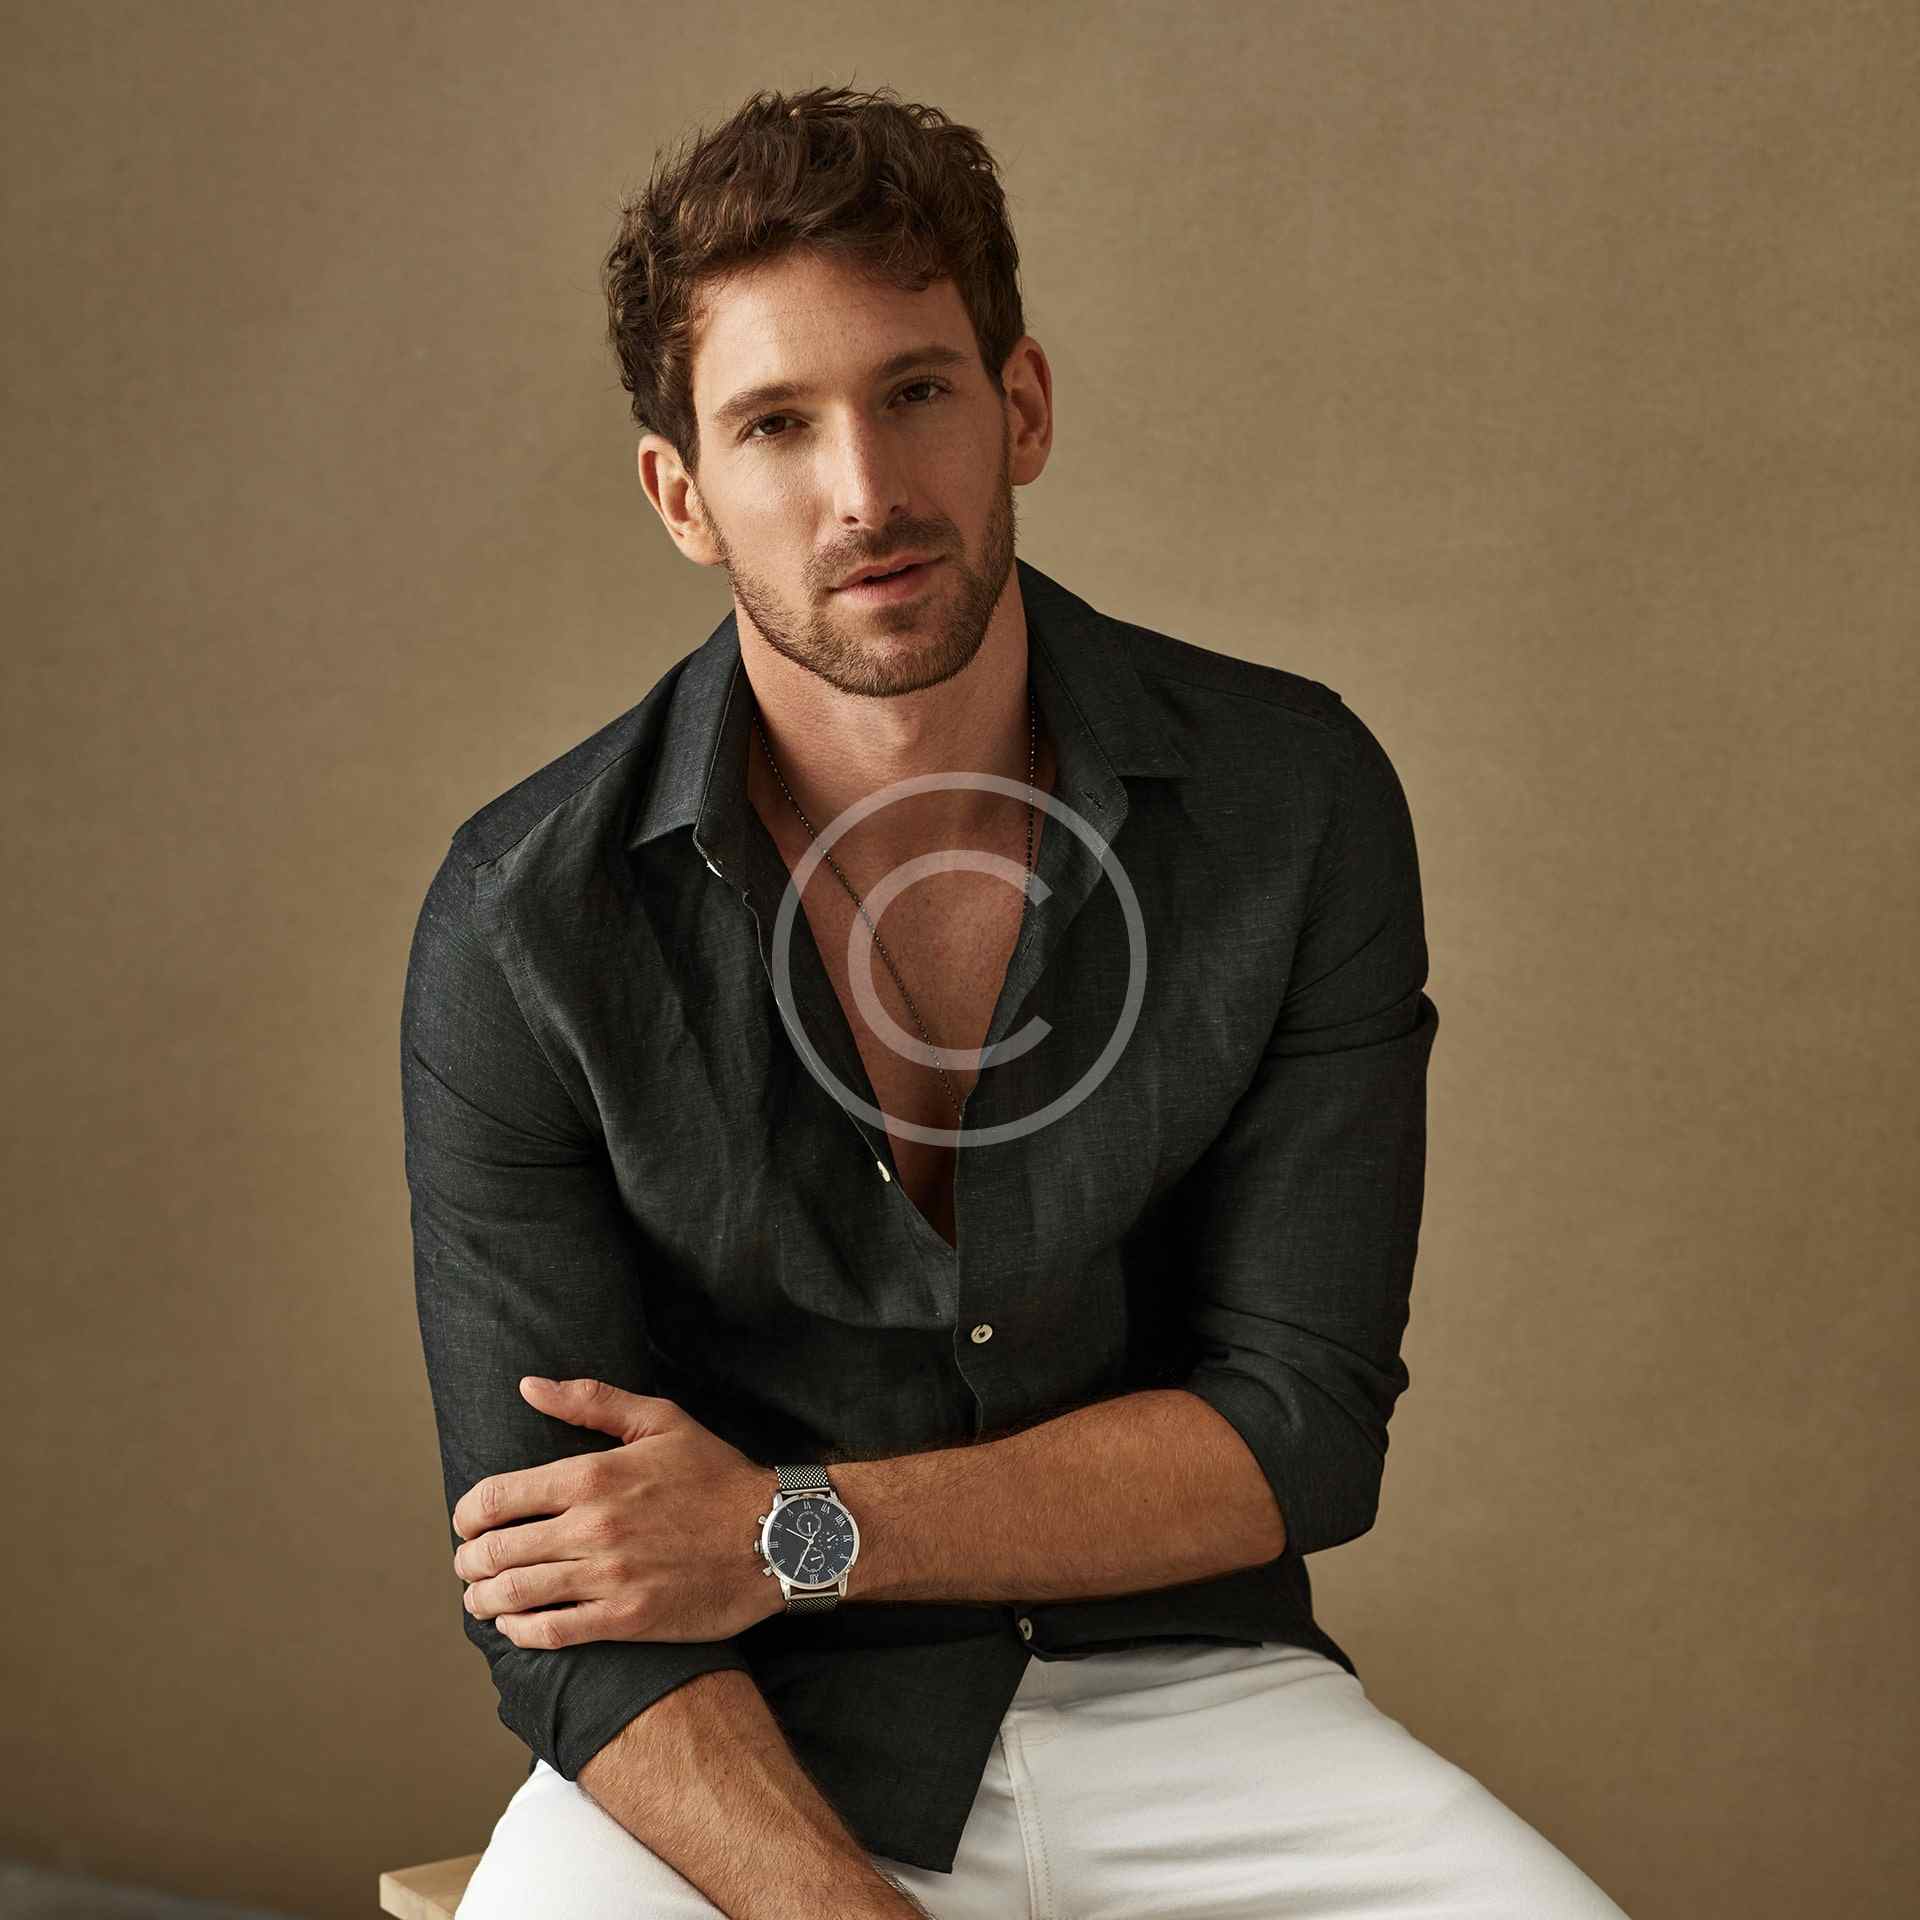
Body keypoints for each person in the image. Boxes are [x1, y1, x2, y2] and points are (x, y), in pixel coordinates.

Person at [401, 81, 1631, 1920]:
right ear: (682, 495)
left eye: (916, 392)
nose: (866, 493)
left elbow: (1298, 1422)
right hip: (732, 1730)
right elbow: (566, 1595)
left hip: (1193, 1695)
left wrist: (782, 1529)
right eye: (775, 425)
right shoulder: (525, 925)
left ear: (1022, 408)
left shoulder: (1293, 802)